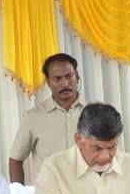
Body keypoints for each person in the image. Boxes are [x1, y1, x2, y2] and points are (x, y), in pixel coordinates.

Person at [9, 53, 85, 184]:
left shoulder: (95, 113)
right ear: (48, 82)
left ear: (77, 76)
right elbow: (16, 160)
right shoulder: (34, 117)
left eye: (69, 76)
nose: (65, 83)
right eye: (57, 78)